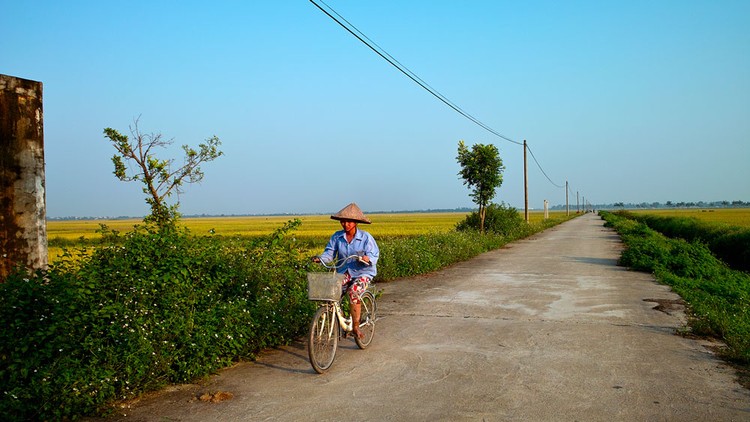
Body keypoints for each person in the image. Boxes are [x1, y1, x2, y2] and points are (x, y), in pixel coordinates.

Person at [312, 203, 379, 339]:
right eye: (343, 221)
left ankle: (355, 327)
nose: (345, 224)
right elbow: (329, 254)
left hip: (363, 272)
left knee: (353, 292)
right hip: (345, 271)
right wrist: (321, 259)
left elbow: (374, 255)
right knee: (331, 290)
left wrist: (366, 258)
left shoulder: (366, 238)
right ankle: (339, 319)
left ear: (355, 223)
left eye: (349, 221)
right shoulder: (337, 237)